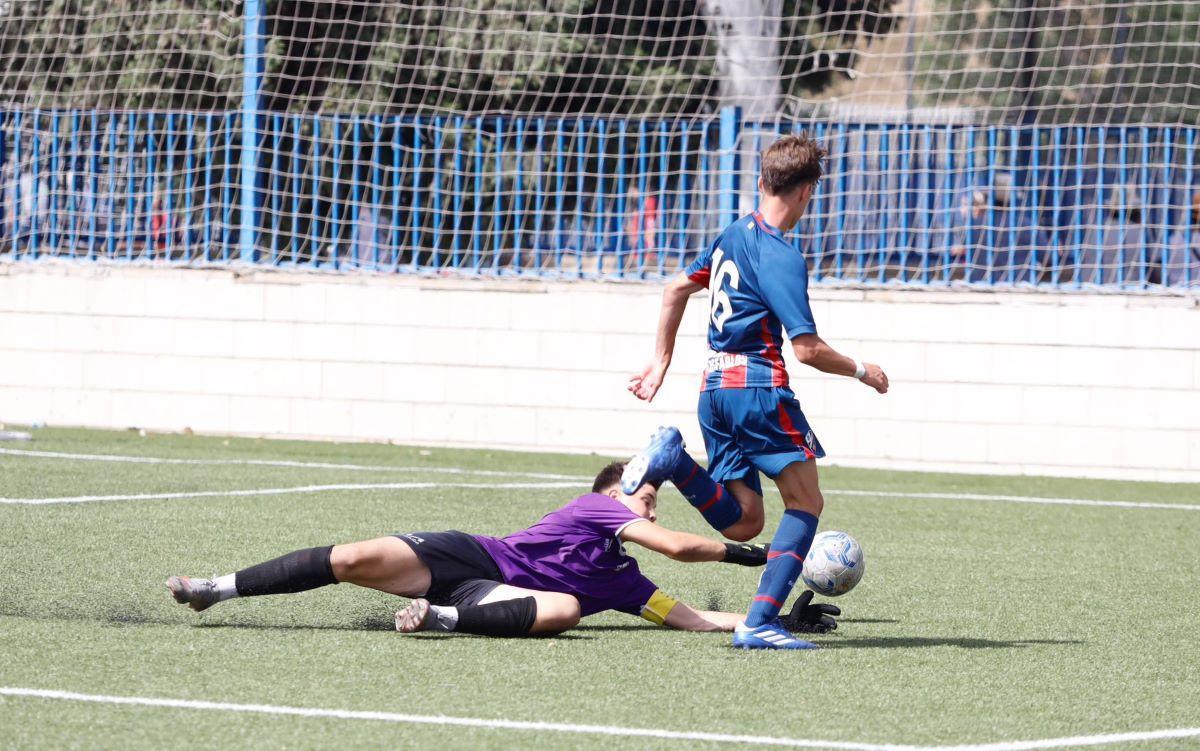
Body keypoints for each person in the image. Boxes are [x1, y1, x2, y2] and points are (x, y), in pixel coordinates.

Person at [625, 133, 886, 650]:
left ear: (763, 181)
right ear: (809, 191)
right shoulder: (780, 255)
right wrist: (862, 370)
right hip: (757, 390)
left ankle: (676, 461)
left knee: (745, 522)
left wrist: (660, 363)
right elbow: (808, 350)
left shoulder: (731, 235)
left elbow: (675, 287)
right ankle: (760, 622)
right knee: (806, 501)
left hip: (713, 391)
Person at [166, 461, 839, 641]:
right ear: (610, 493)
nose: (649, 505)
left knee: (568, 609)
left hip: (484, 601)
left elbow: (695, 618)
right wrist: (759, 556)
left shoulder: (629, 587)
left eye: (653, 501)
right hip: (472, 558)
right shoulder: (596, 506)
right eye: (644, 496)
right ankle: (213, 588)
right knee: (348, 559)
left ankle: (437, 620)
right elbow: (683, 548)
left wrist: (770, 611)